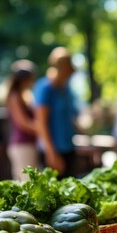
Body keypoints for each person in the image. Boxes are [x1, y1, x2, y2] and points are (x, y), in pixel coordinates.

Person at [34, 47, 80, 177]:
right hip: (53, 150)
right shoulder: (45, 88)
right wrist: (51, 153)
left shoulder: (66, 89)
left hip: (68, 147)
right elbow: (41, 122)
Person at [5, 60, 38, 181]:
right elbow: (23, 123)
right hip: (21, 145)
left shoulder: (26, 96)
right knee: (25, 181)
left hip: (28, 144)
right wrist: (43, 129)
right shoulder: (14, 96)